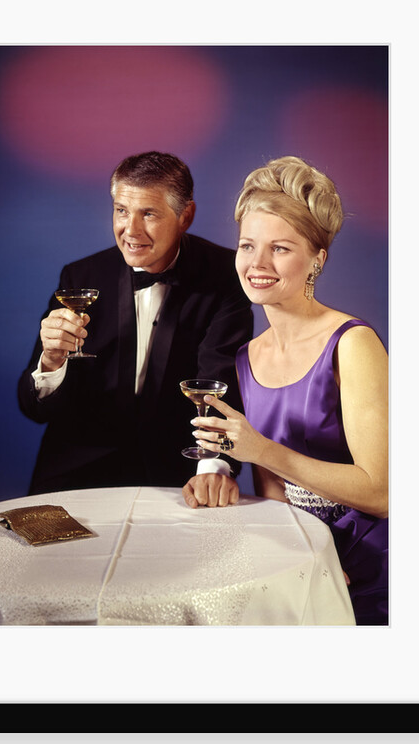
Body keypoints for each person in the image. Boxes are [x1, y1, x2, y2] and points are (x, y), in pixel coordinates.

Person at [183, 155, 388, 626]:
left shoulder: (353, 344)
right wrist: (298, 558)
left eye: (279, 248)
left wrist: (261, 450)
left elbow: (381, 493)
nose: (256, 264)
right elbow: (275, 496)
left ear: (317, 257)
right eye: (247, 246)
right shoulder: (247, 356)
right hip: (302, 565)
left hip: (374, 568)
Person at [18, 151, 253, 496]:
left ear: (185, 215)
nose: (130, 230)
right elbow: (35, 409)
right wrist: (51, 363)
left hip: (177, 474)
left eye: (149, 214)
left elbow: (219, 380)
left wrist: (213, 466)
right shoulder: (80, 276)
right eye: (122, 211)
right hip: (77, 472)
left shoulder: (226, 276)